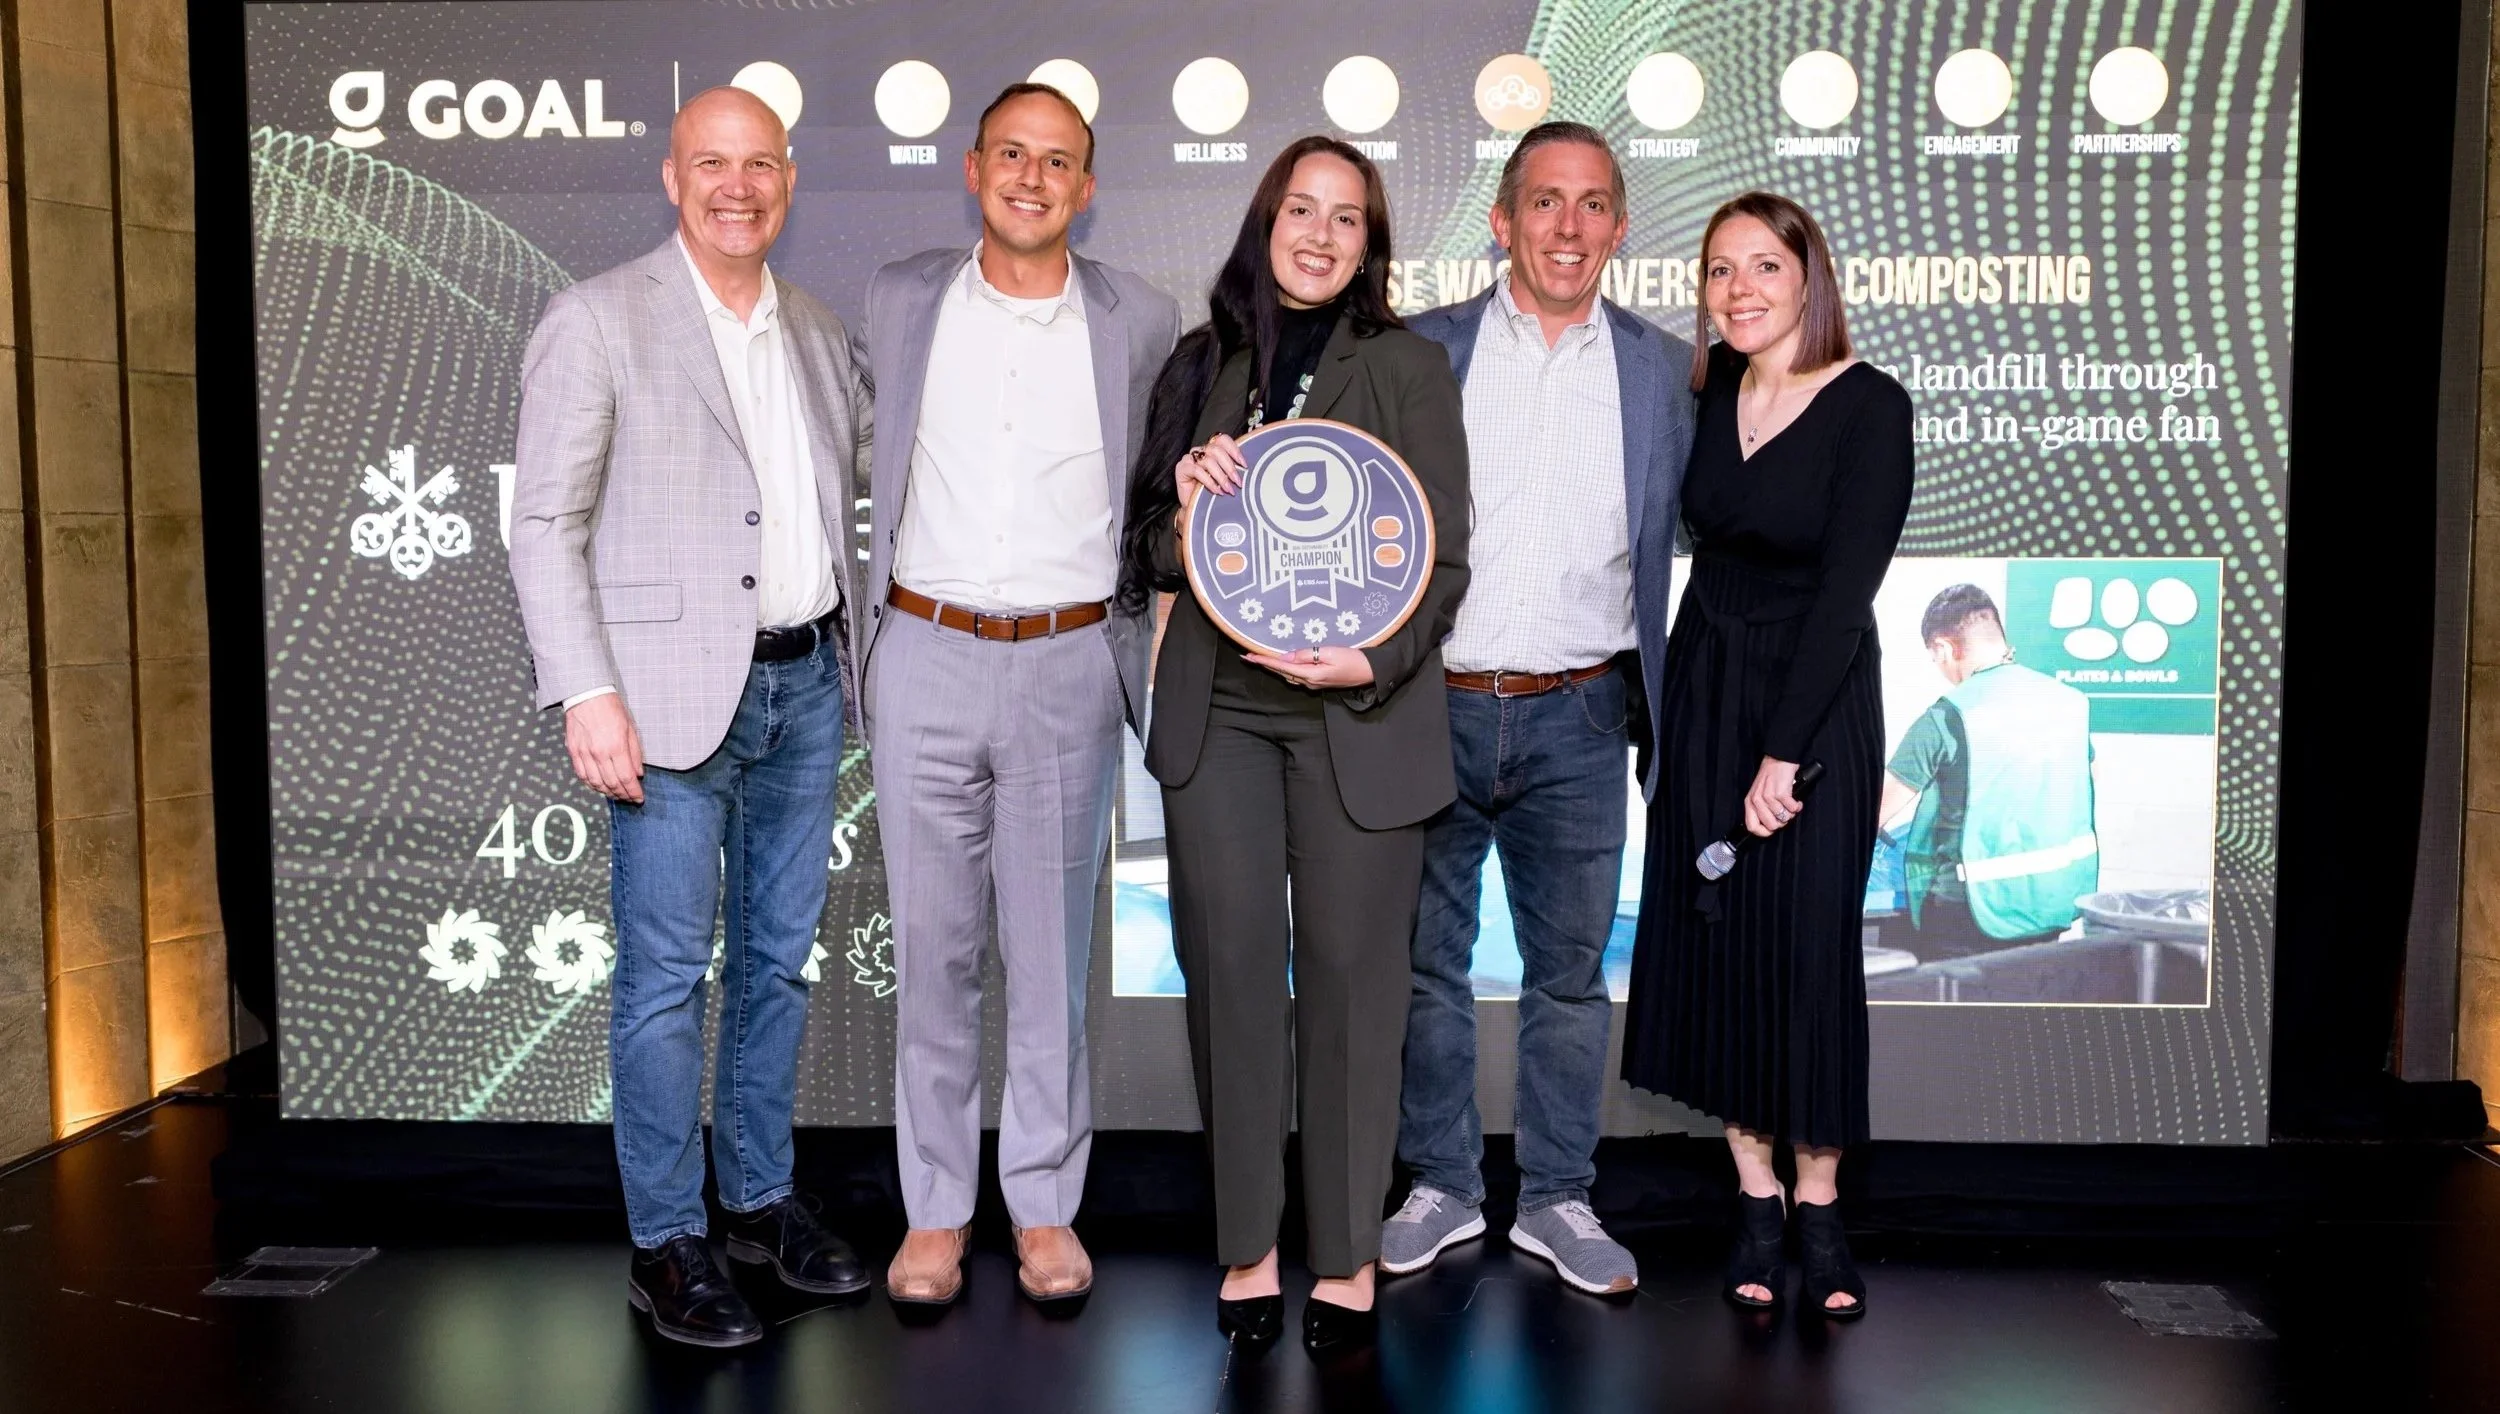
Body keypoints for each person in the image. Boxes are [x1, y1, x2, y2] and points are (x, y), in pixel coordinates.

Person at [509, 86, 871, 1348]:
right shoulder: (596, 318)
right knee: (666, 979)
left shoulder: (817, 330)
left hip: (804, 683)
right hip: (659, 707)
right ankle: (666, 1238)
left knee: (774, 966)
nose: (737, 185)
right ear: (672, 178)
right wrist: (586, 689)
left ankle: (760, 1204)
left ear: (787, 179)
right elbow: (545, 522)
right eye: (710, 163)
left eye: (759, 163)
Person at [1122, 136, 1469, 1356]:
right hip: (1221, 711)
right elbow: (1151, 553)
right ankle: (1249, 1246)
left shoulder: (1410, 366)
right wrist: (1189, 497)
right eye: (1301, 211)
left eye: (1348, 219)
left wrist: (1372, 657)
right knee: (1229, 977)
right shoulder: (1201, 362)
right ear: (1266, 221)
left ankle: (1346, 1253)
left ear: (1372, 244)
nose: (1320, 236)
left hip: (1354, 710)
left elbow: (1442, 563)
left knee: (1351, 987)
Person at [851, 83, 1181, 1309]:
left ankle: (1042, 1206)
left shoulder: (1139, 316)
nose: (1032, 177)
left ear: (1085, 188)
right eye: (1011, 154)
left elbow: (1161, 495)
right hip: (925, 652)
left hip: (1066, 660)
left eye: (1058, 162)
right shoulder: (900, 298)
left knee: (1048, 962)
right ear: (972, 166)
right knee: (933, 960)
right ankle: (934, 1213)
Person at [1384, 121, 1693, 1297]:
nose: (1569, 227)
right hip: (1429, 706)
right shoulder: (1421, 350)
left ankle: (1559, 1197)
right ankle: (1444, 1189)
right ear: (1502, 219)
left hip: (1579, 715)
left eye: (1594, 204)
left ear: (1619, 225)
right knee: (1427, 969)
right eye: (1545, 202)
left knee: (1569, 974)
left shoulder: (1665, 369)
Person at [1619, 191, 1913, 1320]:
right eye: (1717, 270)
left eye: (1762, 268)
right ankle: (1752, 1192)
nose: (1737, 289)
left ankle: (1821, 1201)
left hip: (1815, 701)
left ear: (1809, 280)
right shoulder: (1713, 394)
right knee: (1720, 940)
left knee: (1804, 951)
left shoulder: (1868, 406)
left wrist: (1782, 756)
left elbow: (1845, 596)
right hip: (1707, 687)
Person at [1880, 585, 2098, 962]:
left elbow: (1877, 809)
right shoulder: (2068, 702)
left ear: (1943, 649)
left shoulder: (1950, 715)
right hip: (2053, 902)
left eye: (1936, 659)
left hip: (1971, 913)